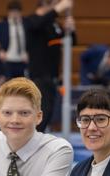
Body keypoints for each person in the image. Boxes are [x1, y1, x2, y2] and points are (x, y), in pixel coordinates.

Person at [26, 0, 76, 131]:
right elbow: (37, 24)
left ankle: (38, 136)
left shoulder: (53, 24)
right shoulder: (32, 20)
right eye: (54, 5)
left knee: (49, 112)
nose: (56, 9)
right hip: (39, 75)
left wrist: (70, 30)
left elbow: (71, 42)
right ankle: (34, 137)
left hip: (53, 75)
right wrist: (59, 8)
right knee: (43, 110)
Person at [0, 0, 29, 79]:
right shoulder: (1, 25)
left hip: (23, 61)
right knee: (8, 85)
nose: (15, 15)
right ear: (8, 13)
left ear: (20, 13)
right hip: (7, 60)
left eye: (17, 12)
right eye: (12, 12)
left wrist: (29, 52)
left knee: (23, 86)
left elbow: (33, 40)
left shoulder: (26, 24)